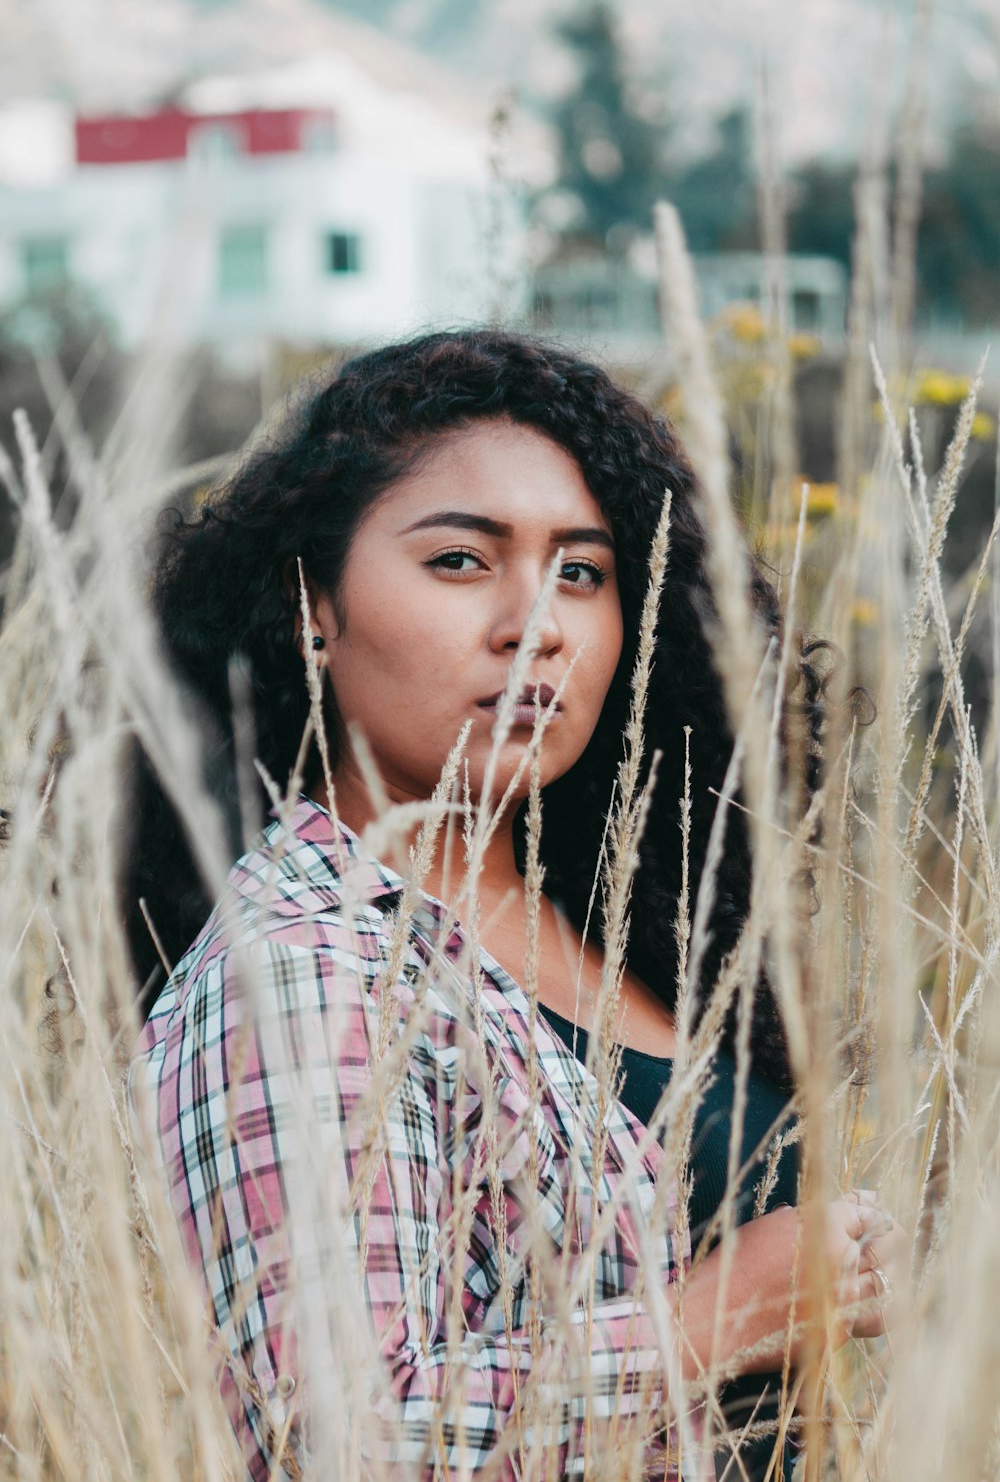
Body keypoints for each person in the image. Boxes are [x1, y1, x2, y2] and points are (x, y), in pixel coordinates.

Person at [126, 329, 905, 1482]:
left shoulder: (617, 916)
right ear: (313, 607)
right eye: (459, 561)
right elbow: (328, 1443)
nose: (534, 623)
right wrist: (713, 1317)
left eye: (580, 572)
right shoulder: (301, 963)